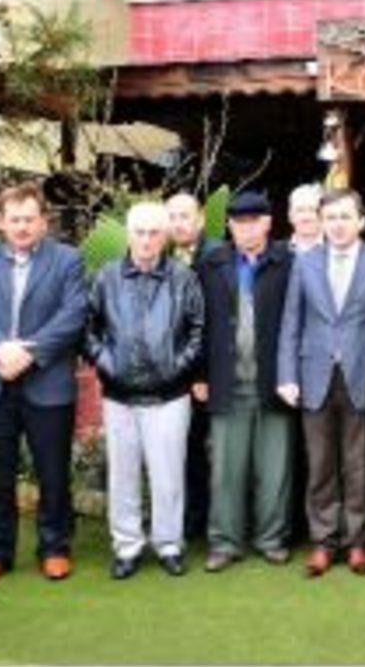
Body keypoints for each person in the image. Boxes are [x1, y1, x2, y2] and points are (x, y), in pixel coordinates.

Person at [0, 181, 86, 587]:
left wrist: (28, 354)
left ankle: (55, 549)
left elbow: (74, 313)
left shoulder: (67, 260)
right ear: (1, 223)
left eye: (30, 219)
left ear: (44, 221)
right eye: (14, 220)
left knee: (53, 473)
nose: (22, 227)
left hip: (47, 380)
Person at [86, 201, 204, 580]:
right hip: (119, 395)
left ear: (165, 237)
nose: (147, 240)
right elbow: (88, 329)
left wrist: (174, 369)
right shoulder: (106, 277)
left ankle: (169, 544)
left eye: (154, 232)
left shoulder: (183, 278)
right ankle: (127, 546)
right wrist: (108, 364)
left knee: (168, 475)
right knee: (123, 476)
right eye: (140, 232)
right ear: (129, 234)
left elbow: (199, 331)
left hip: (170, 395)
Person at [278, 188, 365, 576]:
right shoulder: (305, 262)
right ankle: (324, 541)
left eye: (345, 217)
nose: (338, 225)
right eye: (331, 218)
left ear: (361, 221)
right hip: (314, 375)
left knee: (359, 464)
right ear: (322, 222)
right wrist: (287, 375)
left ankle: (357, 542)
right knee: (321, 464)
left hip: (364, 375)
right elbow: (292, 322)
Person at [196, 191, 297, 572]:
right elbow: (199, 323)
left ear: (268, 223)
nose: (246, 229)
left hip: (274, 383)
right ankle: (225, 542)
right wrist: (200, 374)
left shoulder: (287, 263)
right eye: (239, 223)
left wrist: (292, 377)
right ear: (230, 226)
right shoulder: (212, 263)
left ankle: (272, 539)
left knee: (275, 470)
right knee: (226, 470)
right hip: (226, 381)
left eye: (253, 221)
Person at [166, 191, 221, 542]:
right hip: (170, 372)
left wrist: (202, 374)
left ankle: (209, 519)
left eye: (184, 216)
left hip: (203, 372)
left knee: (206, 448)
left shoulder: (216, 256)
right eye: (171, 216)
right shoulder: (161, 255)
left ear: (200, 219)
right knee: (182, 449)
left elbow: (215, 320)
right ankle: (188, 518)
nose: (178, 223)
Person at [288, 184, 325, 254]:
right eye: (300, 210)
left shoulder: (336, 250)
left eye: (311, 210)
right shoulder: (276, 253)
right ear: (290, 216)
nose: (306, 217)